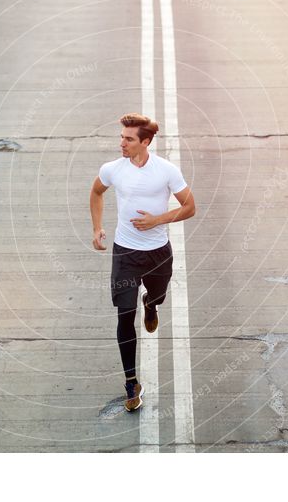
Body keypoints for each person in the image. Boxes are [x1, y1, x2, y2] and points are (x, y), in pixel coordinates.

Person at [89, 113, 196, 412]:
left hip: (158, 252)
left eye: (129, 139)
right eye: (121, 137)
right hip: (125, 253)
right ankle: (131, 382)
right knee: (125, 316)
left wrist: (157, 221)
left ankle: (152, 303)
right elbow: (96, 192)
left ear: (145, 142)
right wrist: (97, 227)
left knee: (158, 295)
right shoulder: (112, 169)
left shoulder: (166, 171)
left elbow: (190, 206)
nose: (122, 143)